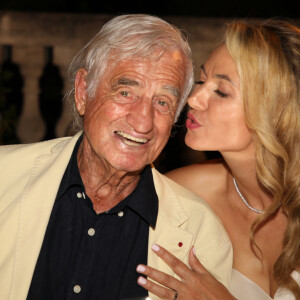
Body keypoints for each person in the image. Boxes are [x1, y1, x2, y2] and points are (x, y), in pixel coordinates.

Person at [0, 14, 233, 300]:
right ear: (84, 92)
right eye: (125, 92)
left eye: (162, 102)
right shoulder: (4, 176)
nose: (143, 122)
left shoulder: (200, 234)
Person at [136, 19, 300, 299]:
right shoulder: (181, 192)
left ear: (275, 110)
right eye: (201, 81)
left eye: (222, 92)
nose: (193, 99)